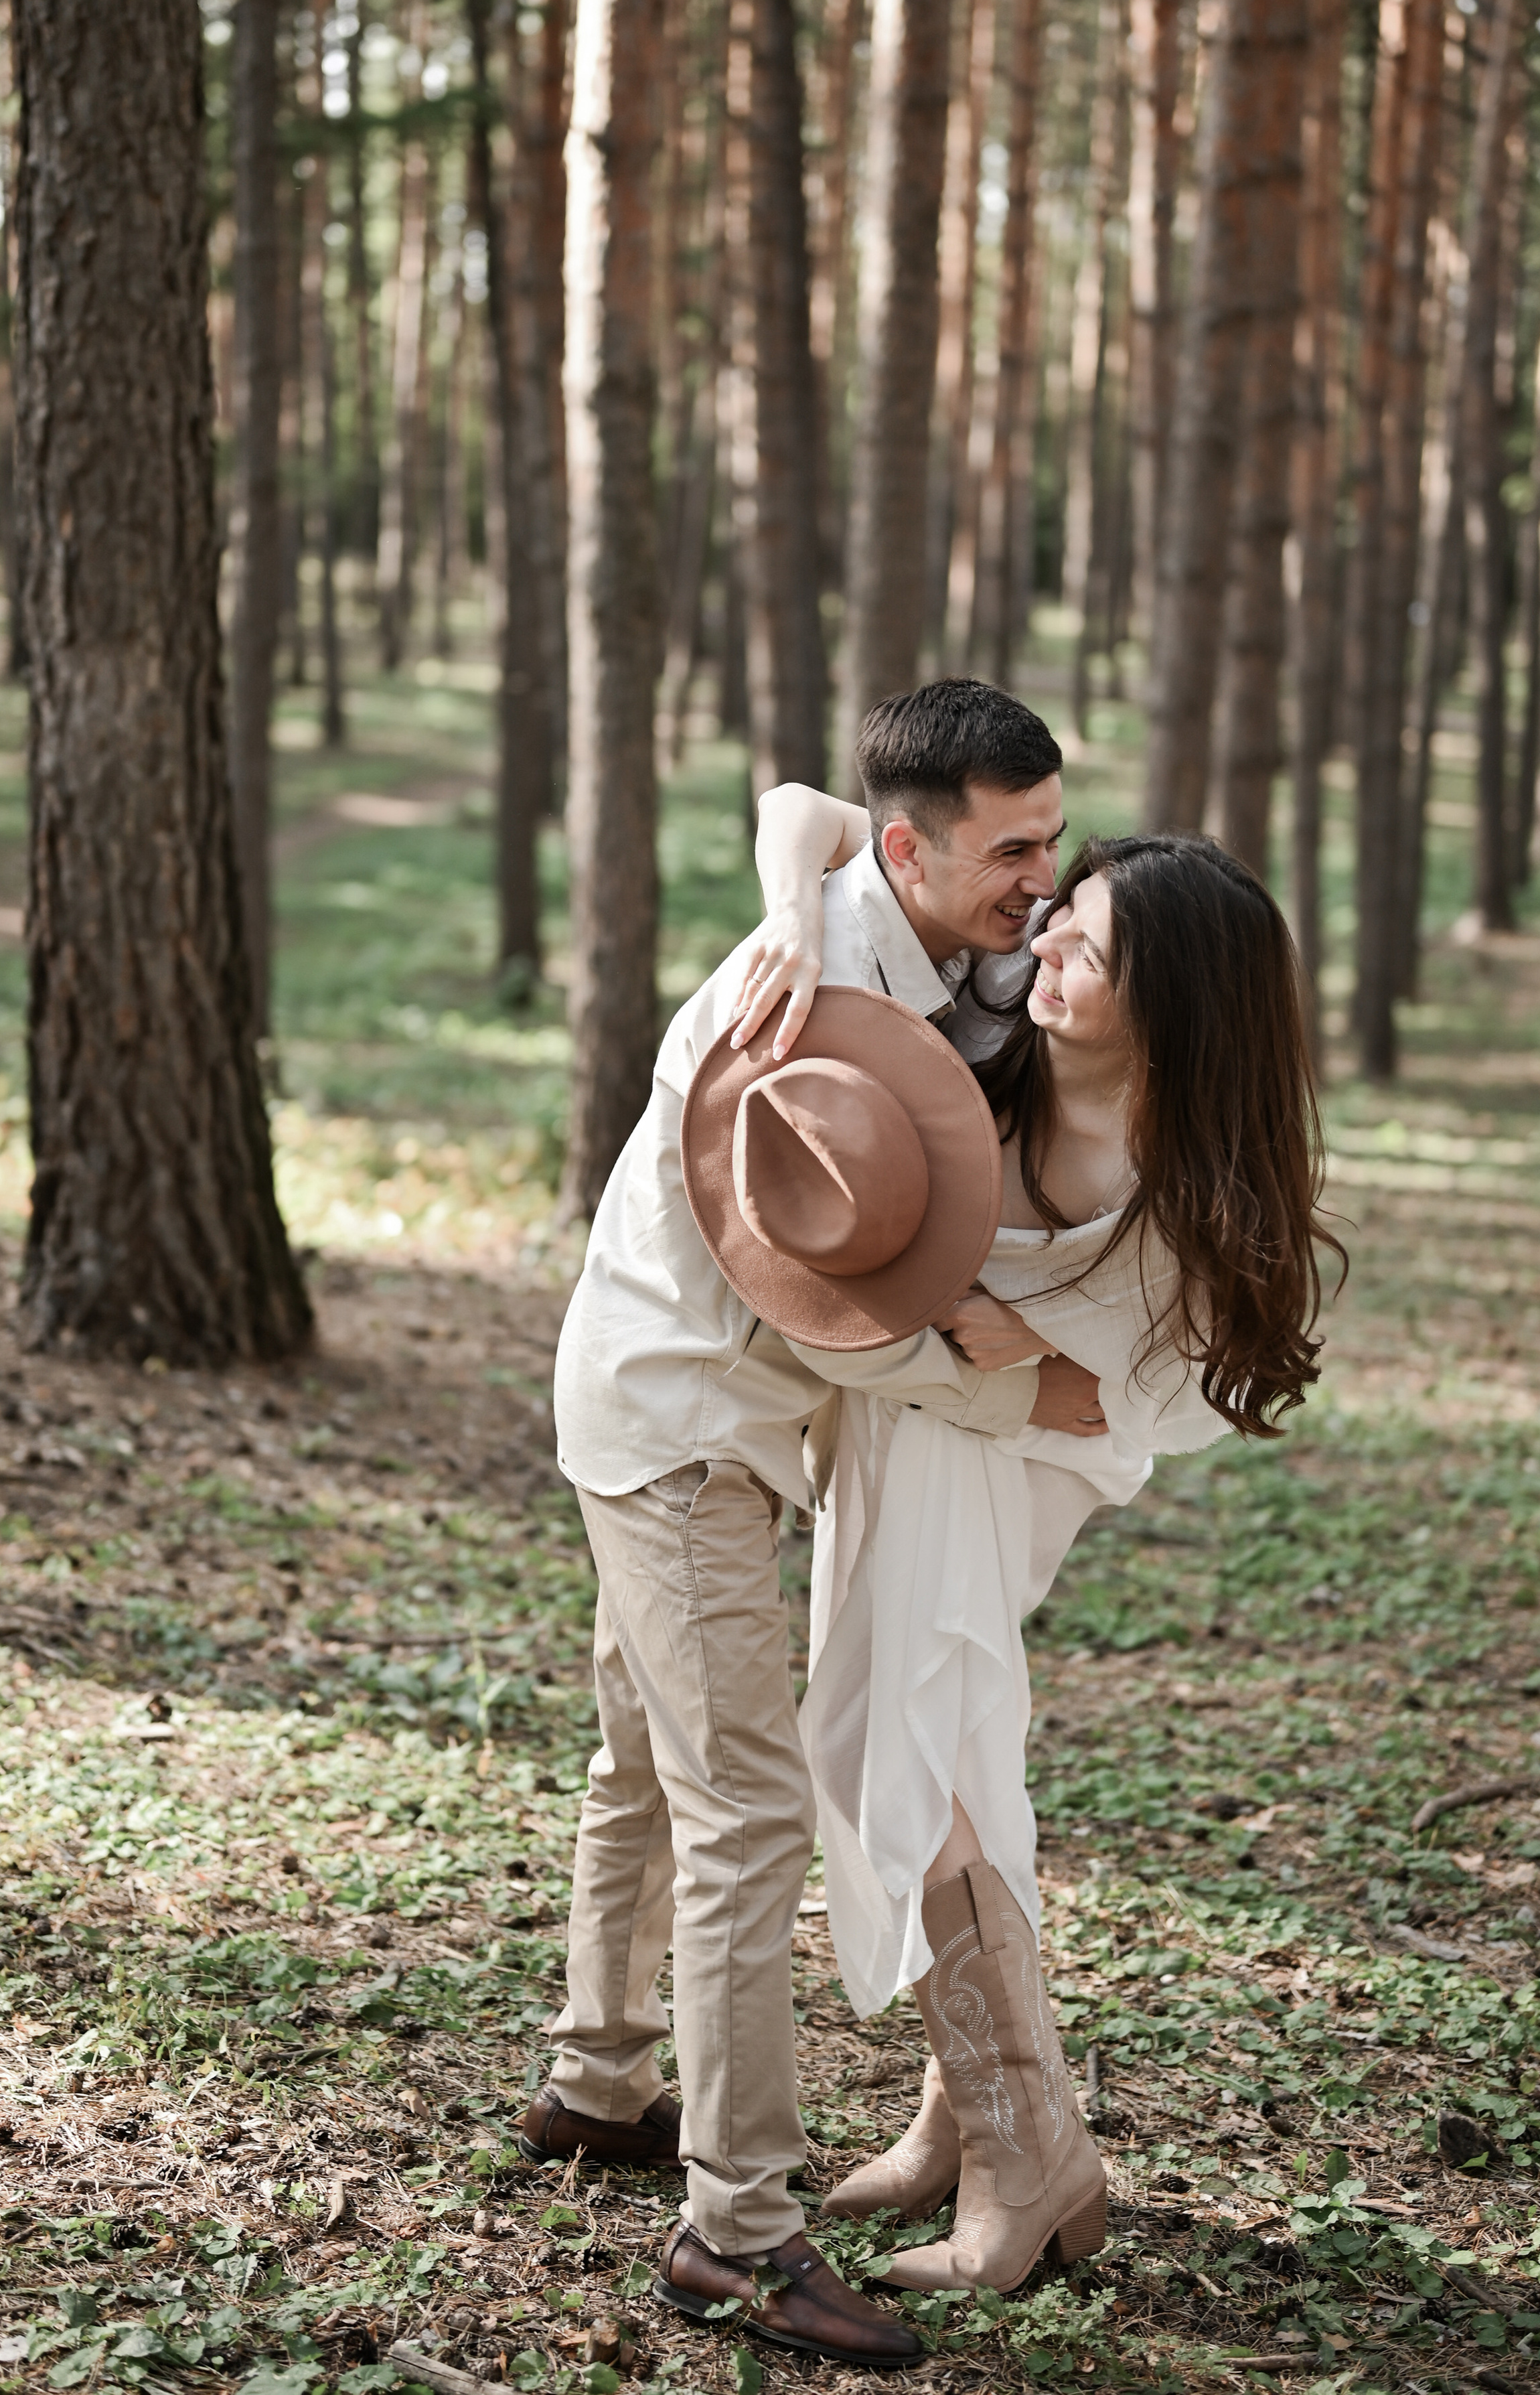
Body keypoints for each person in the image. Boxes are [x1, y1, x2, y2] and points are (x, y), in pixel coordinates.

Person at [541, 684, 1113, 2368]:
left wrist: (796, 882)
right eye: (1011, 851)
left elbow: (804, 804)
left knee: (643, 1756)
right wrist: (1035, 1390)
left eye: (1049, 838)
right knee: (746, 1807)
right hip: (679, 1431)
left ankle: (594, 2081)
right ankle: (735, 2232)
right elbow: (855, 1335)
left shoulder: (893, 915)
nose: (1041, 879)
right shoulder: (792, 1022)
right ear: (910, 855)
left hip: (680, 1399)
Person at [753, 804, 1342, 2294]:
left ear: (1175, 1005)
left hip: (1018, 1465)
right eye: (1061, 916)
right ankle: (969, 2123)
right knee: (943, 1748)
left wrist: (1037, 1356)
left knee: (899, 1746)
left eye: (1092, 949)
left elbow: (1153, 1392)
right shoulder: (977, 1027)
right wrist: (788, 919)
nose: (1047, 947)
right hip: (907, 1428)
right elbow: (805, 817)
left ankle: (1027, 2156)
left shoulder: (1185, 1177)